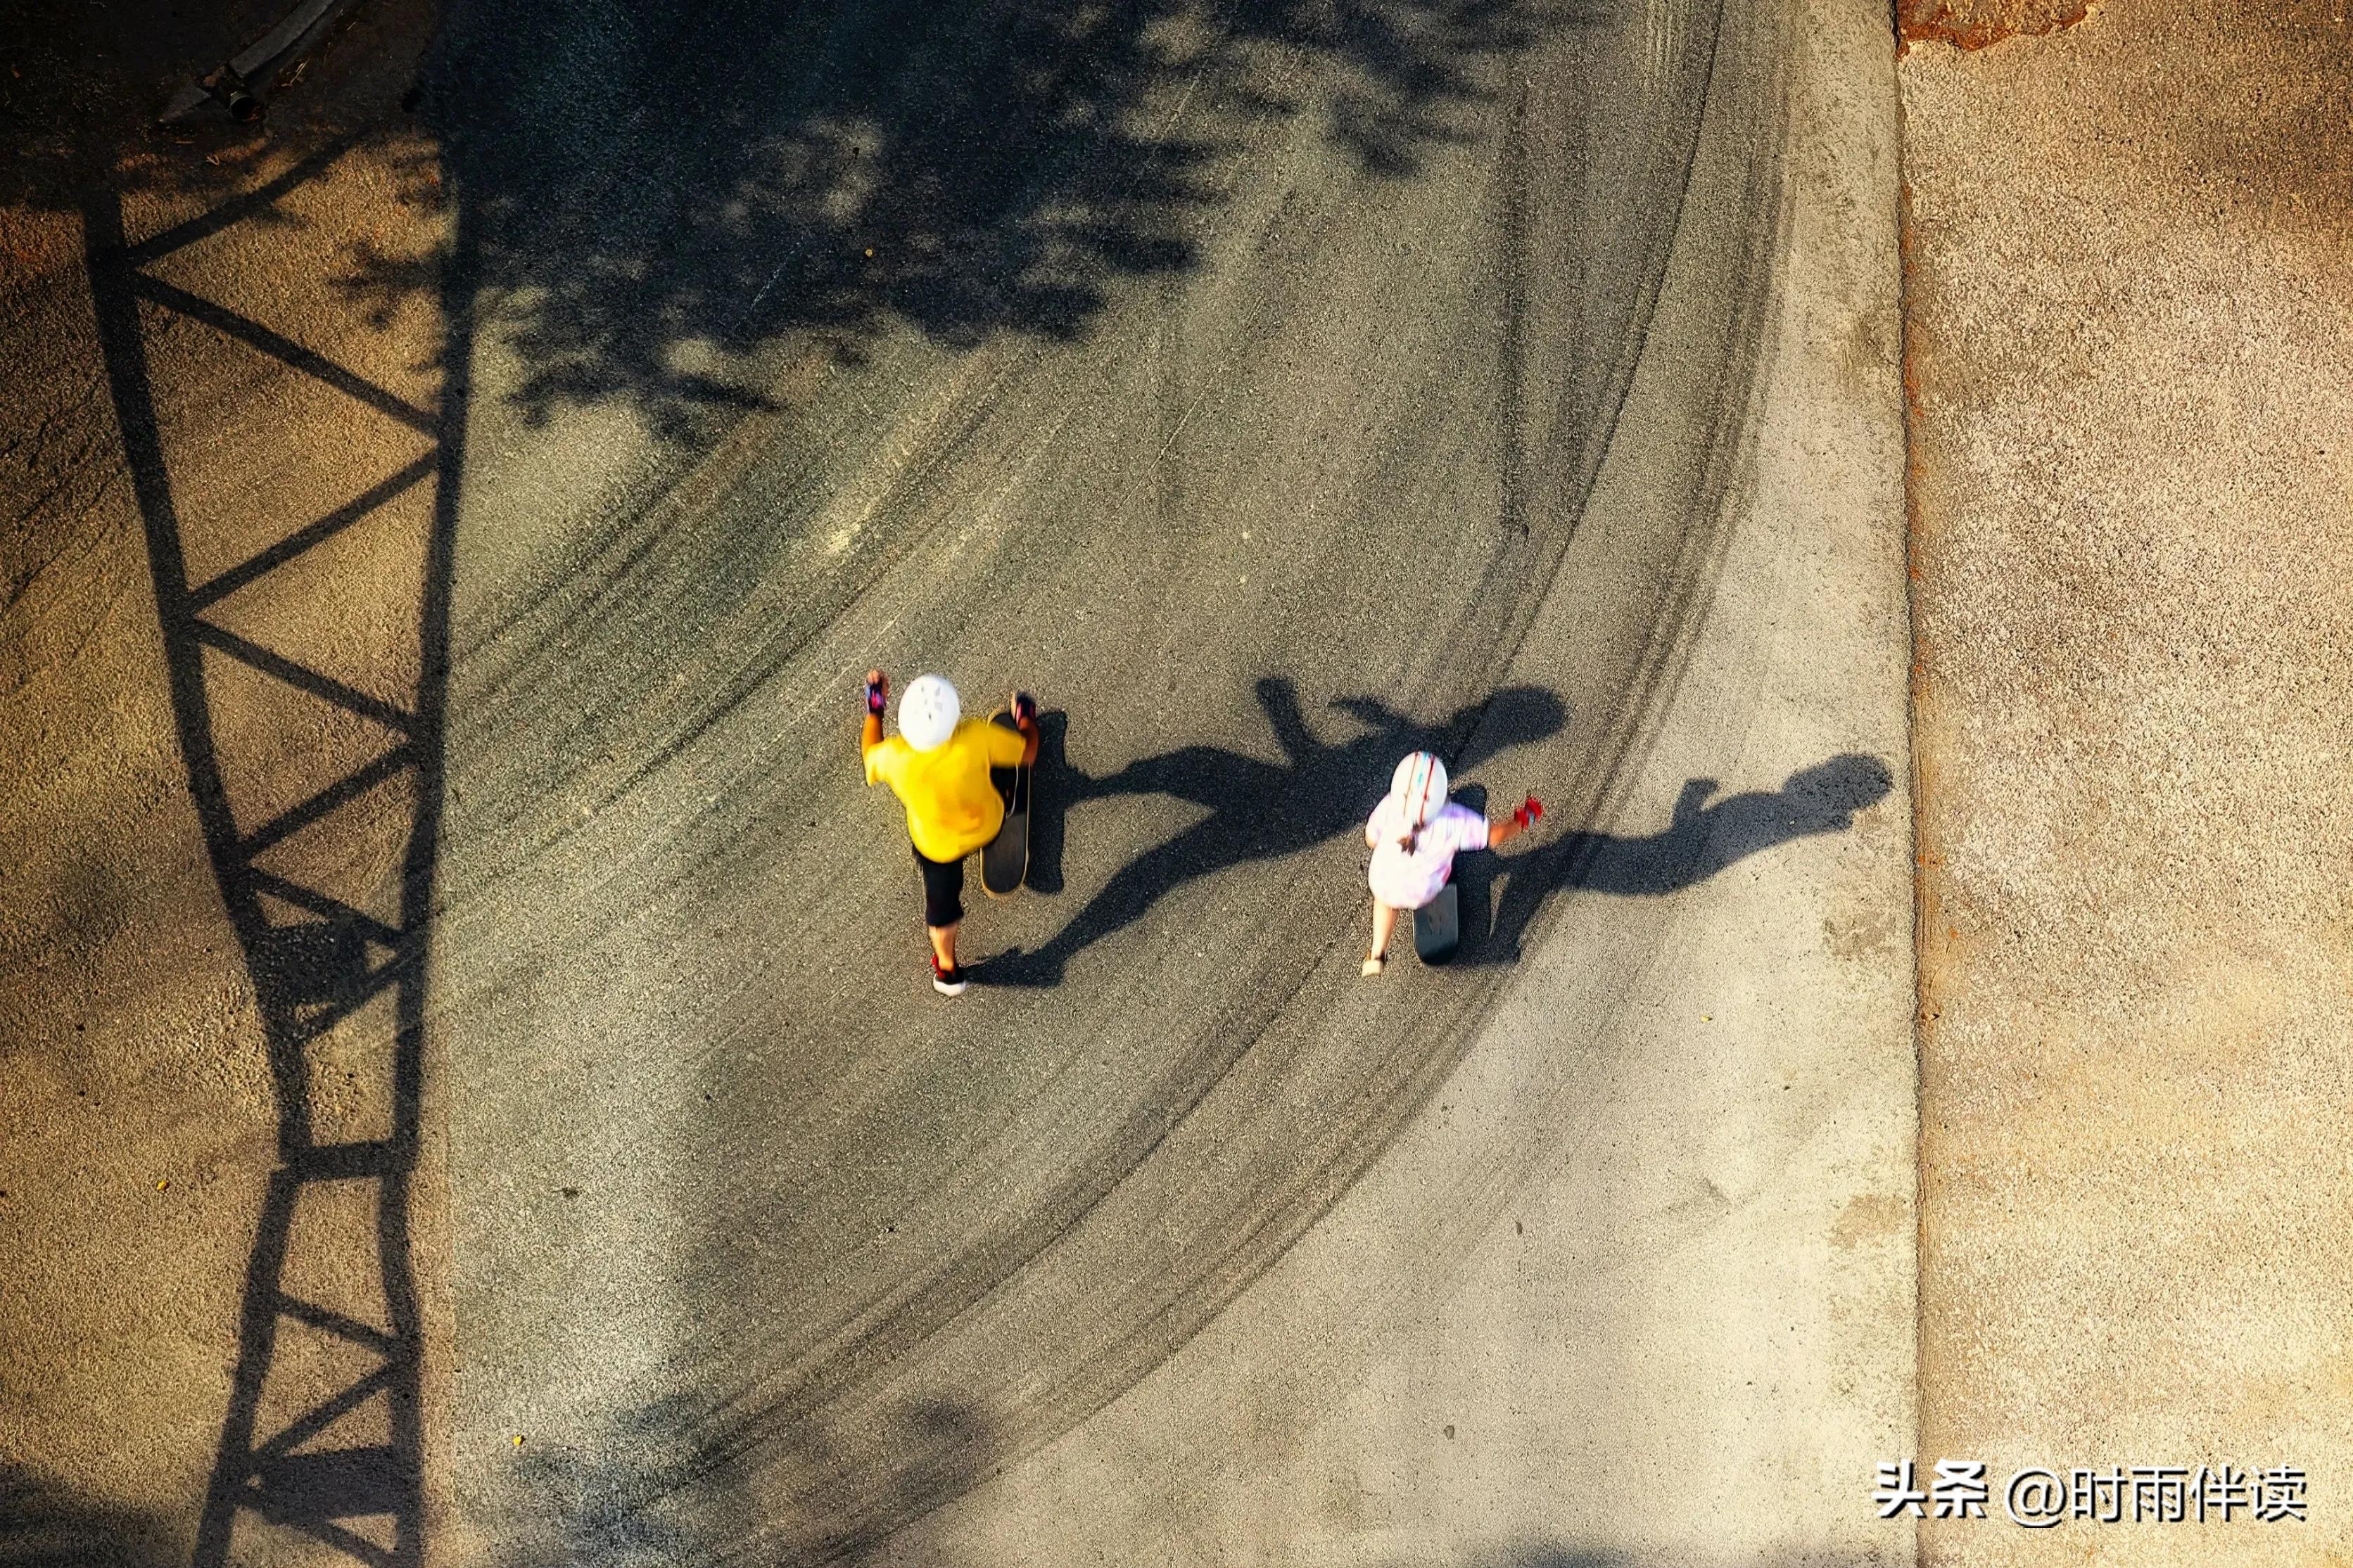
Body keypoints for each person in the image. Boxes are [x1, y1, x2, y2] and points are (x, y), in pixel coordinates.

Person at [861, 670, 1037, 995]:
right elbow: (1028, 753)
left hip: (935, 846)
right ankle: (1008, 800)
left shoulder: (894, 758)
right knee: (1000, 764)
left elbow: (869, 750)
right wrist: (1025, 719)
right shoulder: (976, 737)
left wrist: (875, 704)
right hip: (986, 825)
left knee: (941, 914)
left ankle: (947, 970)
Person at [1361, 751, 1540, 976]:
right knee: (1445, 860)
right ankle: (1432, 898)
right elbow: (1493, 837)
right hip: (1425, 890)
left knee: (1385, 901)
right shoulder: (1453, 820)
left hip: (1383, 881)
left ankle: (1377, 953)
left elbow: (1371, 839)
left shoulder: (1389, 805)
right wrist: (1524, 819)